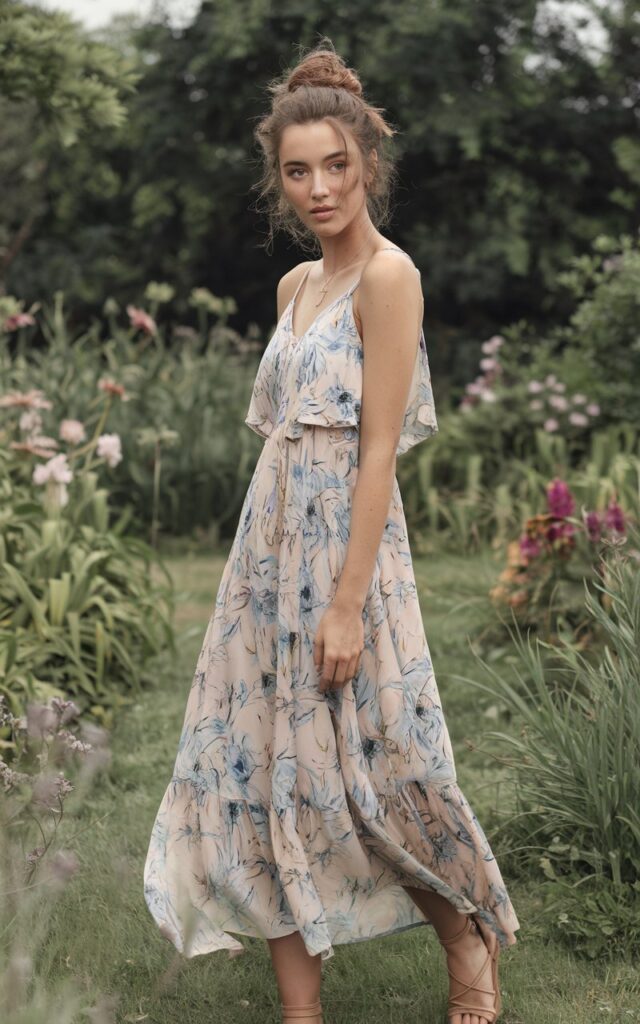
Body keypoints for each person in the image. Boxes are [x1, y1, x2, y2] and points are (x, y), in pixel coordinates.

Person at [143, 38, 520, 1024]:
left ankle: (467, 944)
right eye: (296, 170)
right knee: (263, 767)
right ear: (280, 178)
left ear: (368, 168)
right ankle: (298, 1013)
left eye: (335, 167)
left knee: (380, 769)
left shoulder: (390, 280)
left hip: (350, 558)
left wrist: (346, 603)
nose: (317, 188)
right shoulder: (291, 289)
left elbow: (379, 447)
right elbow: (278, 444)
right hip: (267, 555)